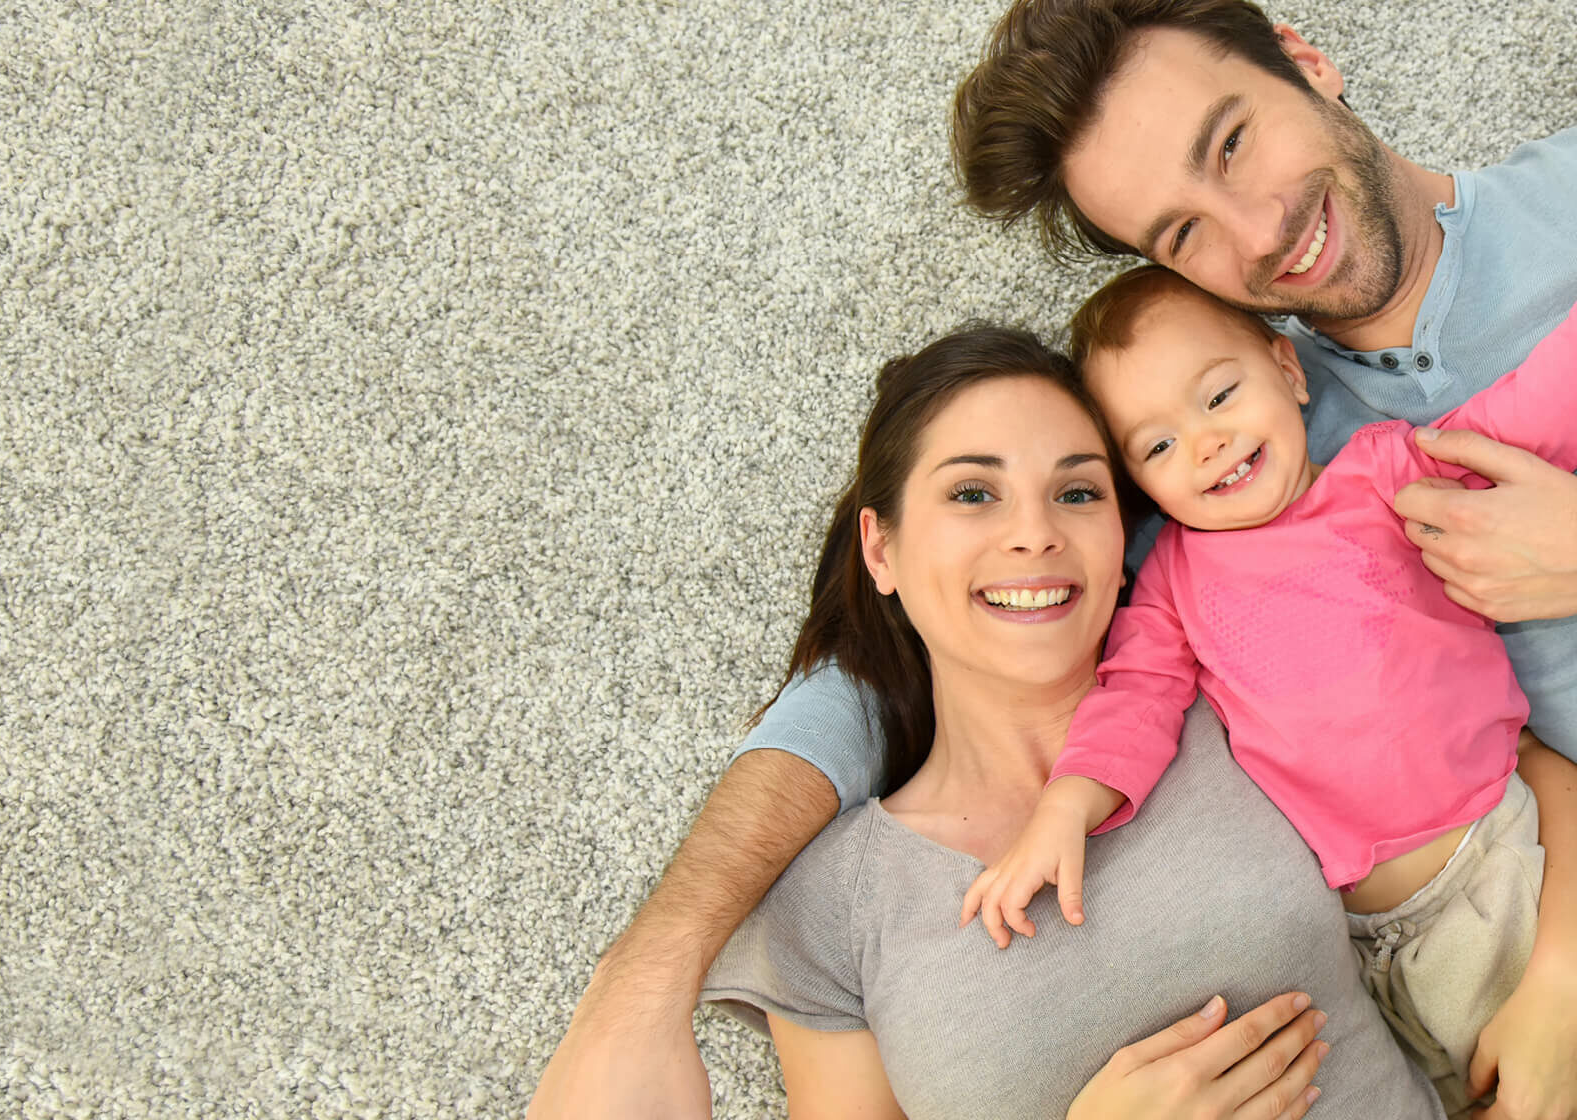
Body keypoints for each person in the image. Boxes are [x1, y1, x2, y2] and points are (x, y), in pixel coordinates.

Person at [527, 5, 1577, 1116]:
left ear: (1304, 58)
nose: (1257, 229)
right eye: (1180, 234)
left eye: (1229, 140)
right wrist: (642, 982)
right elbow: (889, 660)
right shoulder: (1231, 469)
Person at [700, 324, 1442, 1117]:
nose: (1036, 533)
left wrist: (1556, 976)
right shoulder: (831, 902)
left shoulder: (1227, 683)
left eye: (1078, 492)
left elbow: (1486, 771)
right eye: (973, 493)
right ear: (881, 551)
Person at [959, 266, 1577, 1116]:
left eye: (1218, 396)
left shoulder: (1387, 477)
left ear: (1288, 371)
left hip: (1494, 866)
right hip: (1368, 952)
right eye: (1160, 446)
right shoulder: (1172, 580)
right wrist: (1066, 805)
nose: (1206, 444)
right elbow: (1134, 697)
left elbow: (1525, 419)